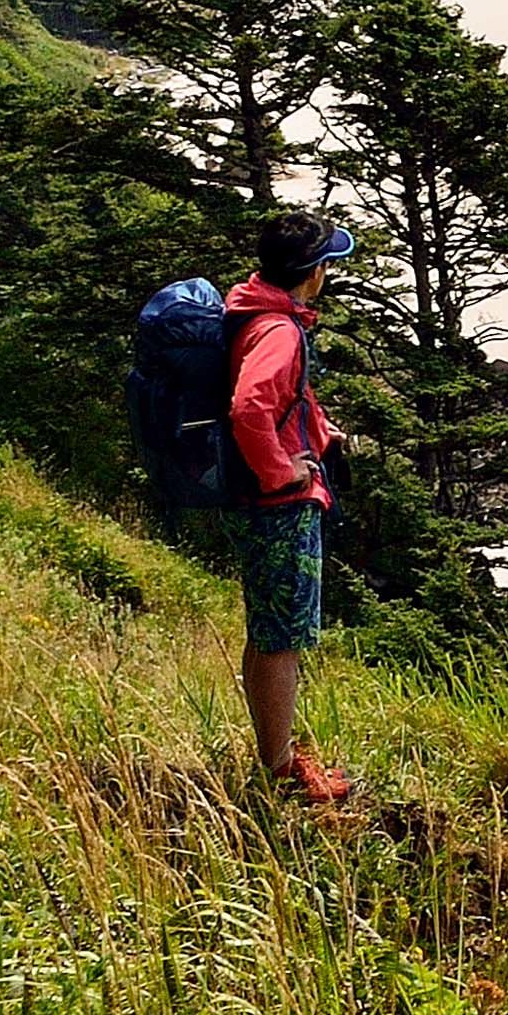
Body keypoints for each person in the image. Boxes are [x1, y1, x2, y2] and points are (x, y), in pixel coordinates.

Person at [226, 212, 353, 810]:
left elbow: (281, 400)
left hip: (253, 498)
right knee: (283, 641)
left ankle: (274, 754)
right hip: (277, 502)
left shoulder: (256, 311)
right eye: (327, 262)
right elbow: (251, 407)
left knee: (267, 633)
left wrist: (319, 432)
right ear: (312, 273)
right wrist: (284, 470)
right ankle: (279, 771)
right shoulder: (279, 330)